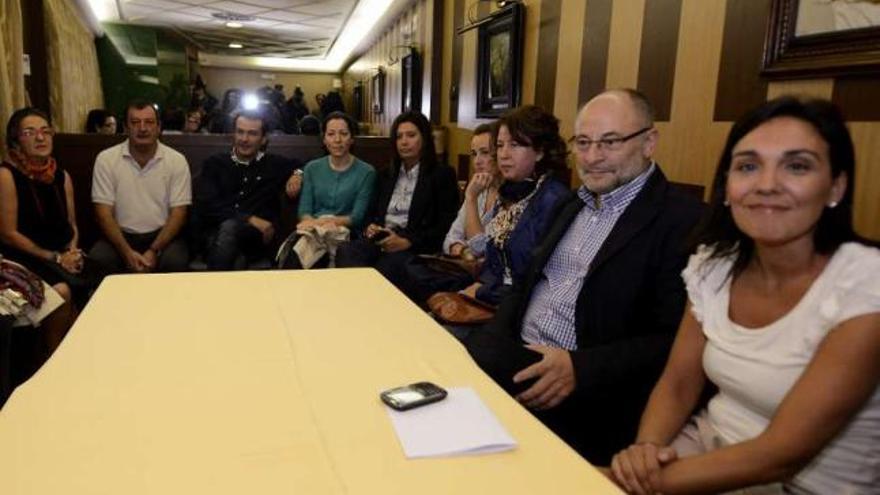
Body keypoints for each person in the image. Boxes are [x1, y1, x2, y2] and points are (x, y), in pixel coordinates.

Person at [610, 97, 880, 494]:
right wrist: (645, 452)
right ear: (726, 187)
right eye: (748, 166)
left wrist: (642, 482)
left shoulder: (866, 283)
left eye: (797, 166)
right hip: (697, 453)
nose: (767, 185)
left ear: (835, 186)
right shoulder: (713, 264)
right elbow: (679, 383)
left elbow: (783, 453)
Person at [463, 89, 704, 464]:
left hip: (592, 390)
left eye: (610, 142)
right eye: (584, 143)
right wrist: (494, 338)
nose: (591, 158)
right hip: (515, 356)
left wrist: (580, 368)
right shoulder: (571, 204)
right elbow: (525, 285)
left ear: (649, 142)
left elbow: (674, 342)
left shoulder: (684, 222)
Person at [457, 106, 569, 307]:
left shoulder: (553, 200)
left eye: (515, 145)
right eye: (500, 146)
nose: (504, 155)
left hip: (518, 309)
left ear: (540, 151)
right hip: (491, 296)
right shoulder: (511, 191)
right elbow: (481, 250)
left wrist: (482, 291)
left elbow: (533, 281)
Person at [335, 111, 459, 285]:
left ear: (424, 139)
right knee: (346, 252)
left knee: (386, 267)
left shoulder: (441, 175)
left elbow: (445, 225)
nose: (404, 142)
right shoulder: (386, 174)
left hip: (413, 244)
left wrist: (407, 242)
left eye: (411, 135)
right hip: (381, 238)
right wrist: (369, 227)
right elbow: (369, 214)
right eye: (399, 137)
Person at [0, 108, 84, 354]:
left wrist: (72, 252)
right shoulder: (6, 175)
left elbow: (72, 224)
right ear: (16, 140)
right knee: (63, 291)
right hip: (23, 258)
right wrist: (56, 258)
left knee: (105, 280)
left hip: (60, 255)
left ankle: (79, 354)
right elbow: (8, 234)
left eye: (45, 131)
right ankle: (52, 357)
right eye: (30, 132)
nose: (40, 138)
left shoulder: (61, 176)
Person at [398, 122, 501, 303]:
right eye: (474, 154)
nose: (477, 161)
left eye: (485, 153)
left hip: (487, 281)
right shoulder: (480, 191)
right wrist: (465, 252)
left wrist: (469, 198)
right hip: (461, 267)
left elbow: (482, 250)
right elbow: (450, 240)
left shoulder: (507, 198)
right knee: (409, 269)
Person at [89, 99, 192, 273]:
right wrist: (126, 252)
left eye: (149, 122)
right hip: (120, 236)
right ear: (126, 127)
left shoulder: (176, 160)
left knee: (175, 261)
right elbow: (103, 214)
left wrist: (153, 250)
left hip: (162, 236)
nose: (143, 128)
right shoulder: (106, 159)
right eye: (135, 122)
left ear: (159, 127)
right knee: (99, 258)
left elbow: (179, 213)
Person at [194, 110, 302, 271]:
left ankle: (212, 291)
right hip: (213, 236)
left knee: (231, 231)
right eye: (240, 132)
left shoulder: (273, 165)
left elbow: (307, 164)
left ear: (263, 139)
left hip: (253, 241)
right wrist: (250, 218)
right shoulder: (214, 163)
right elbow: (207, 205)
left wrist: (298, 175)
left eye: (252, 133)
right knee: (234, 251)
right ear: (233, 134)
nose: (244, 139)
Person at [281, 112, 375, 268]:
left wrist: (324, 222)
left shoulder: (367, 172)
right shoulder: (312, 168)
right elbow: (304, 211)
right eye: (331, 134)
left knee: (330, 255)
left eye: (343, 134)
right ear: (324, 139)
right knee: (298, 254)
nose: (337, 140)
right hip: (312, 231)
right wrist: (316, 225)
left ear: (351, 139)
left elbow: (357, 217)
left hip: (346, 234)